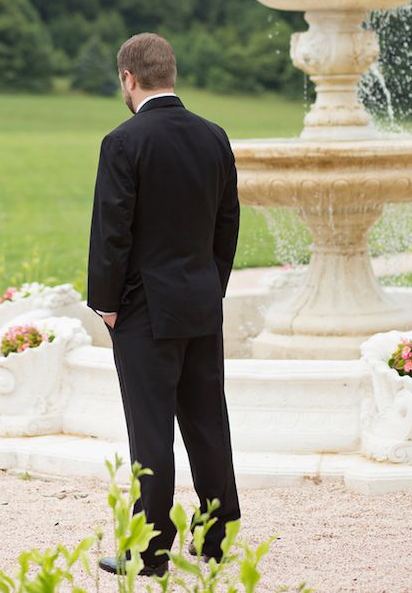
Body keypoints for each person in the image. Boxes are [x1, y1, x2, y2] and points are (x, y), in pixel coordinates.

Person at [87, 32, 241, 577]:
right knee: (207, 422)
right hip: (201, 299)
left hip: (144, 308)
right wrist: (210, 284)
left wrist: (106, 303)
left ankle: (148, 552)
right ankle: (217, 538)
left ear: (129, 78)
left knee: (150, 430)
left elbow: (112, 233)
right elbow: (227, 225)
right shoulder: (214, 136)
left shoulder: (123, 142)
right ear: (170, 72)